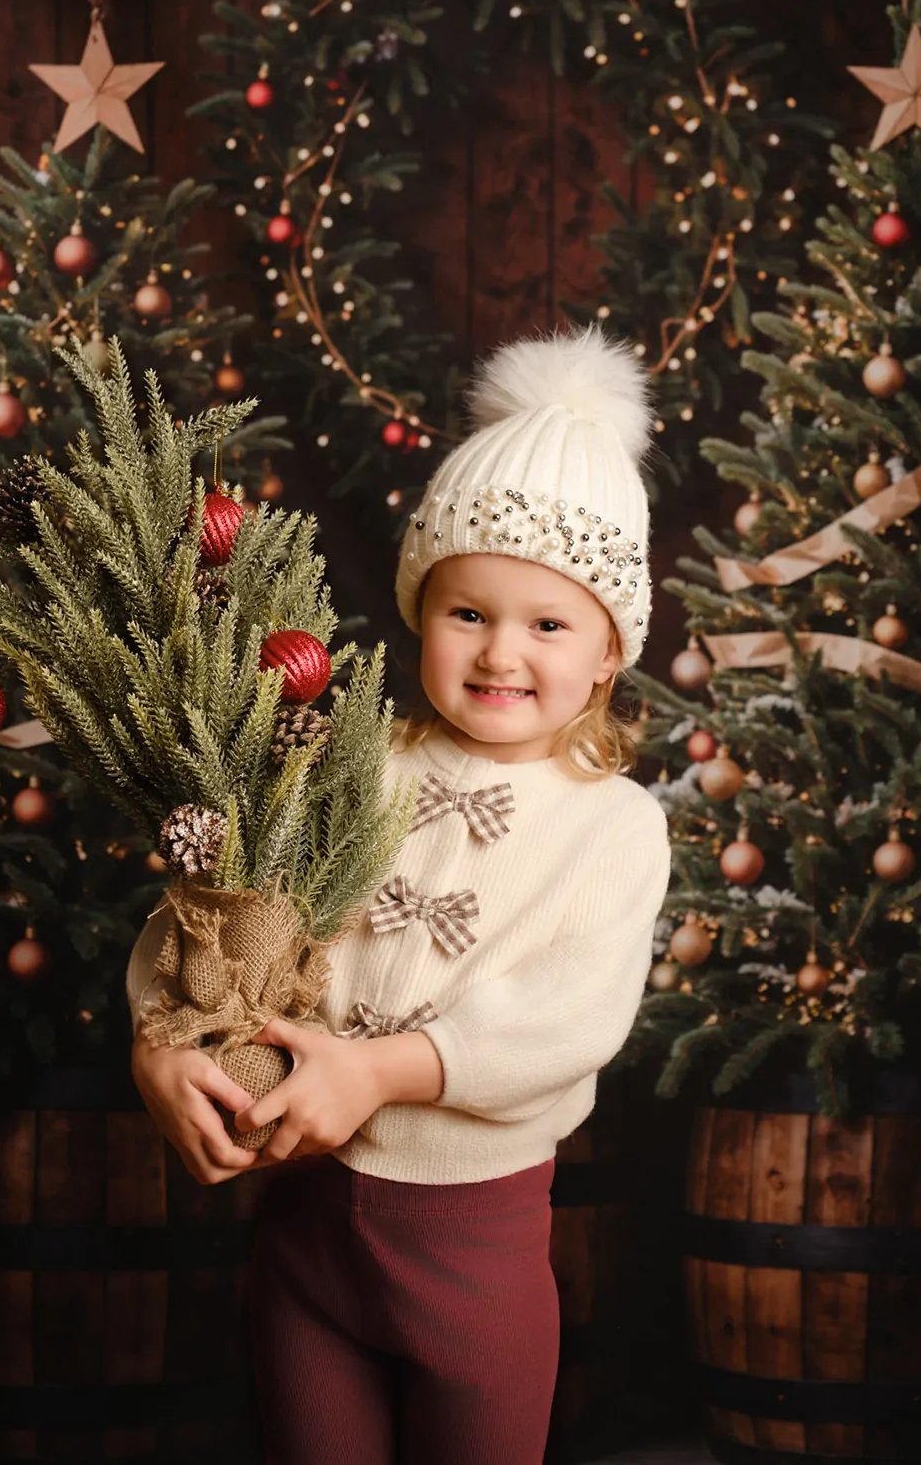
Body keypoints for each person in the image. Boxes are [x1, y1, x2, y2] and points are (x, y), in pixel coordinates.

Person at [127, 324, 672, 1465]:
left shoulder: (615, 826)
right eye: (466, 611)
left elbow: (570, 1019)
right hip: (305, 1238)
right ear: (423, 609)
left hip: (473, 1250)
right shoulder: (353, 760)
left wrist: (379, 1068)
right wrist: (160, 1042)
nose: (499, 654)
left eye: (549, 623)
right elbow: (224, 909)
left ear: (609, 652)